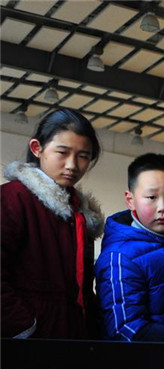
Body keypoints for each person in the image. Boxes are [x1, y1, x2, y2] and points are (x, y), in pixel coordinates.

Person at [1, 108, 104, 339]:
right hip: (28, 344)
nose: (72, 165)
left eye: (83, 156)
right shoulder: (12, 199)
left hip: (71, 340)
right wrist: (24, 328)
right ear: (37, 148)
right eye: (62, 152)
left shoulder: (80, 213)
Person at [95, 153, 164, 342]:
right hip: (148, 359)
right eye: (151, 197)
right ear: (130, 200)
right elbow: (124, 328)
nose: (162, 207)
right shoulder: (118, 258)